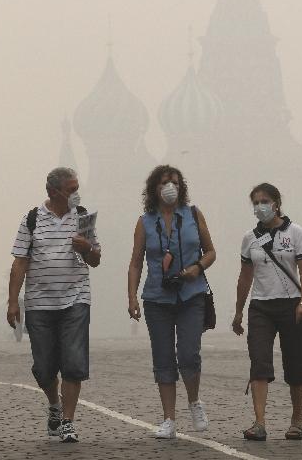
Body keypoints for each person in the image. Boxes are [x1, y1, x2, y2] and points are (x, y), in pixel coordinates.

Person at [7, 167, 101, 443]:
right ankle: (54, 405)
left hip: (76, 299)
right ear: (53, 191)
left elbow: (95, 260)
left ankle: (68, 422)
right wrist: (13, 301)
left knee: (73, 361)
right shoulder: (32, 219)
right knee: (45, 367)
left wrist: (86, 247)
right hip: (39, 304)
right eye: (71, 189)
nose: (76, 193)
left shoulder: (83, 216)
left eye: (76, 188)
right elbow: (20, 261)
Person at [128, 165, 216, 439]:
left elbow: (211, 251)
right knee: (163, 358)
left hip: (191, 294)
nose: (170, 188)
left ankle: (194, 402)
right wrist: (132, 297)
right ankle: (169, 419)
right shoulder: (144, 222)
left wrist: (197, 267)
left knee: (188, 354)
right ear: (154, 188)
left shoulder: (192, 214)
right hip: (157, 297)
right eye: (165, 183)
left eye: (175, 183)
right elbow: (135, 263)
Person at [232, 183, 302, 442]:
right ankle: (259, 422)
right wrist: (238, 312)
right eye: (255, 202)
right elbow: (245, 278)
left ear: (277, 203)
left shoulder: (296, 232)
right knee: (259, 361)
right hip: (261, 307)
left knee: (296, 362)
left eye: (264, 201)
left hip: (291, 305)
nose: (260, 206)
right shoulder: (250, 238)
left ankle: (297, 421)